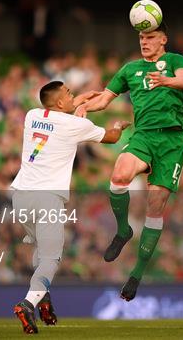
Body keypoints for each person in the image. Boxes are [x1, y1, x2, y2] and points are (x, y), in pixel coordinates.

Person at [75, 23, 183, 301]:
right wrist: (81, 107)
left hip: (172, 141)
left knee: (155, 206)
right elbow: (103, 99)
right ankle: (123, 229)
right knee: (119, 175)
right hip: (143, 136)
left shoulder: (175, 61)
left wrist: (166, 80)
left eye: (150, 37)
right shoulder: (130, 69)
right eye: (141, 37)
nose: (145, 41)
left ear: (163, 39)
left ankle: (136, 274)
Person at [10, 81, 130, 334]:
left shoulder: (32, 115)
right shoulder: (77, 125)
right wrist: (118, 126)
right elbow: (111, 137)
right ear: (60, 103)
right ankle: (27, 303)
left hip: (20, 195)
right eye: (68, 93)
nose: (72, 94)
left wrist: (78, 102)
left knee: (39, 248)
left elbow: (58, 111)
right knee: (51, 258)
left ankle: (41, 296)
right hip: (48, 198)